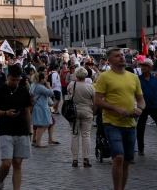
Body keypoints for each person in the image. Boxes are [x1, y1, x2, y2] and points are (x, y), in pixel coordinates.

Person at [93, 48, 145, 190]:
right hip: (111, 122)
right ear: (110, 61)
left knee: (127, 160)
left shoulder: (133, 77)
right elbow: (97, 101)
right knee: (118, 157)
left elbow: (141, 100)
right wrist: (115, 108)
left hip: (129, 122)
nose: (121, 58)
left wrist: (139, 109)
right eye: (117, 56)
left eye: (122, 55)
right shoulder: (104, 77)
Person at [0, 64, 32, 190]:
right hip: (5, 130)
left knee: (18, 163)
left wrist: (29, 132)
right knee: (7, 163)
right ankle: (0, 182)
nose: (15, 82)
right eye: (13, 80)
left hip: (21, 130)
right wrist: (6, 113)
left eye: (18, 80)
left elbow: (27, 112)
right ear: (7, 76)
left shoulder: (23, 91)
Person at [67, 66, 95, 167]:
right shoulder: (90, 87)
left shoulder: (71, 84)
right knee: (86, 135)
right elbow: (94, 102)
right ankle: (86, 158)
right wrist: (93, 113)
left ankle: (75, 159)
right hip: (87, 111)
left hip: (74, 112)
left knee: (74, 135)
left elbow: (68, 96)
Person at [136, 58, 157, 157]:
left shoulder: (155, 79)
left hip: (155, 106)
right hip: (142, 107)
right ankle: (141, 149)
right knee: (140, 129)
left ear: (150, 68)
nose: (143, 68)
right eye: (142, 66)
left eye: (145, 66)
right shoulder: (138, 79)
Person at [30, 73, 55, 147]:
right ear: (41, 79)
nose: (45, 80)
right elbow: (50, 93)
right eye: (44, 78)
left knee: (46, 123)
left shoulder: (33, 85)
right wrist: (48, 86)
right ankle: (38, 142)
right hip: (40, 107)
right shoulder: (40, 87)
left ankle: (36, 140)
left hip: (38, 107)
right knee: (42, 124)